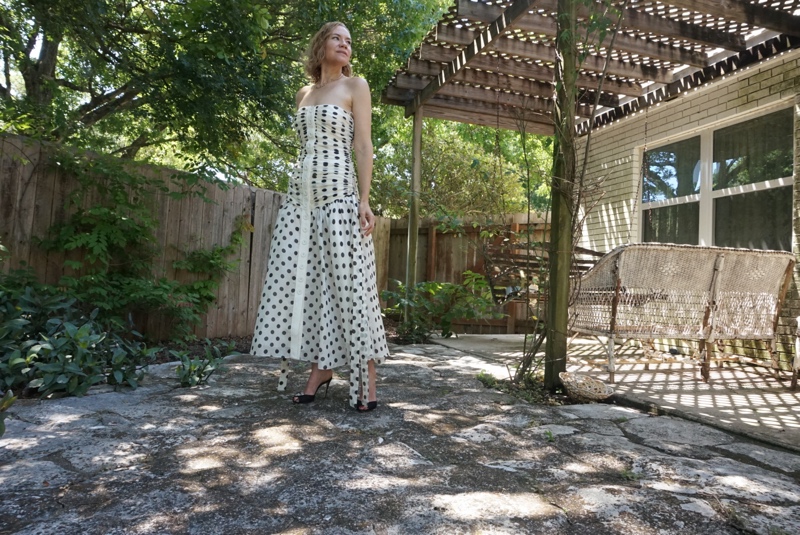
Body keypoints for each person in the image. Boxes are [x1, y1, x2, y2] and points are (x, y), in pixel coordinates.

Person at [250, 22, 389, 412]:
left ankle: (368, 379)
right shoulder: (304, 93)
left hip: (341, 195)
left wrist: (364, 199)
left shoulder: (355, 86)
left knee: (352, 286)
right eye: (336, 38)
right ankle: (320, 370)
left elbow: (363, 145)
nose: (345, 45)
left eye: (349, 41)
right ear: (320, 45)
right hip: (300, 201)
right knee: (309, 287)